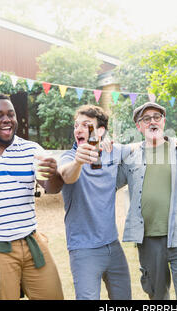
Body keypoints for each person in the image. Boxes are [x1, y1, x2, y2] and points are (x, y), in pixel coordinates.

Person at [0, 94, 64, 300]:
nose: (6, 119)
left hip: (31, 242)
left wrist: (53, 173)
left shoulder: (32, 150)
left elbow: (52, 188)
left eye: (11, 114)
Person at [117, 102, 177, 300]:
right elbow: (108, 184)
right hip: (148, 237)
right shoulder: (130, 156)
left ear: (164, 122)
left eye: (157, 117)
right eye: (146, 118)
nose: (152, 121)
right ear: (139, 126)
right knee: (157, 296)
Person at [55, 105, 132, 300]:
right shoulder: (70, 157)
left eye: (86, 125)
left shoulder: (111, 152)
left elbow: (142, 146)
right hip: (84, 250)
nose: (78, 130)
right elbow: (66, 175)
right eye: (76, 125)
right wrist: (79, 162)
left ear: (101, 131)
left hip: (113, 246)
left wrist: (173, 141)